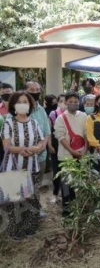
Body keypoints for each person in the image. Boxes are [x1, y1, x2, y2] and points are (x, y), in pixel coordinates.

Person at [1, 91, 45, 239]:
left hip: (32, 168)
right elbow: (6, 146)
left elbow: (41, 140)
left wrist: (37, 148)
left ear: (30, 104)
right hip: (13, 169)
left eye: (25, 101)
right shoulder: (9, 122)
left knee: (32, 198)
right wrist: (21, 150)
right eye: (19, 102)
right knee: (13, 201)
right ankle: (14, 230)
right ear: (13, 105)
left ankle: (30, 227)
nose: (22, 104)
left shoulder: (34, 122)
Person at [54, 91, 87, 216]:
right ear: (66, 102)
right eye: (71, 102)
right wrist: (72, 151)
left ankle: (79, 206)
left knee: (80, 182)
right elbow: (60, 137)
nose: (73, 104)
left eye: (76, 102)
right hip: (66, 156)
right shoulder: (60, 118)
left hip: (82, 155)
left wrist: (84, 150)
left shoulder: (84, 116)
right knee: (67, 184)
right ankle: (67, 209)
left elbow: (86, 134)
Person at [25, 81, 51, 189]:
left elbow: (47, 131)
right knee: (25, 186)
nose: (35, 92)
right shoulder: (19, 110)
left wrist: (43, 145)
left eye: (37, 90)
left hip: (41, 155)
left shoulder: (42, 110)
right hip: (25, 154)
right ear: (25, 92)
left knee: (37, 185)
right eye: (32, 90)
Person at [48, 94, 67, 203]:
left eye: (65, 101)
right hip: (56, 146)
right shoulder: (53, 114)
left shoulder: (72, 114)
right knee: (56, 172)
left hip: (67, 147)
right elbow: (49, 131)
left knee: (66, 171)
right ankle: (55, 193)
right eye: (61, 101)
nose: (63, 103)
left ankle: (66, 195)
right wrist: (49, 144)